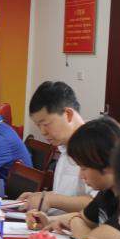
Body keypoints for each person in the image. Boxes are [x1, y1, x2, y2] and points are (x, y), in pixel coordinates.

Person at [26, 117, 120, 239]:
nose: (82, 175)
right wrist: (48, 221)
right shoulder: (108, 192)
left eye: (84, 168)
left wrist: (74, 221)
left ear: (107, 164)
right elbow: (85, 218)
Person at [19, 81, 93, 212]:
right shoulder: (64, 147)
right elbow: (68, 195)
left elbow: (99, 205)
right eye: (38, 126)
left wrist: (51, 200)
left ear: (68, 114)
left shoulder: (94, 146)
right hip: (57, 222)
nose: (43, 132)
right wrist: (42, 197)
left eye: (46, 124)